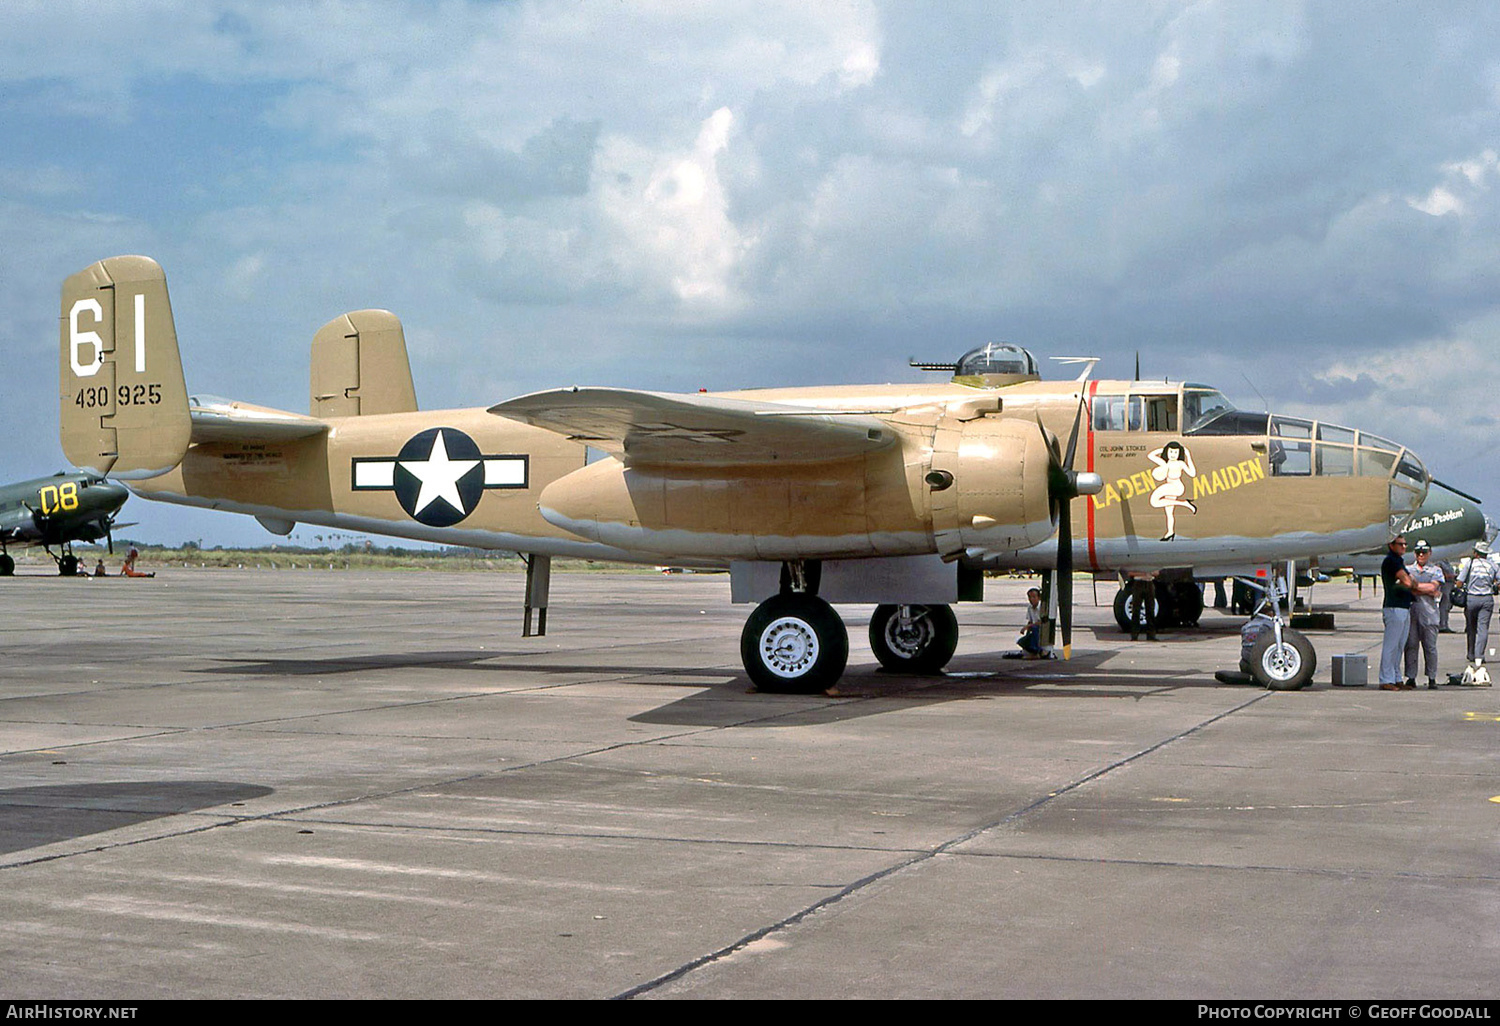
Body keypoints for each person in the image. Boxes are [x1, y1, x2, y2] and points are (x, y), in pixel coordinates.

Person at [1379, 535, 1437, 691]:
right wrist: (1410, 583)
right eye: (1401, 544)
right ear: (1392, 545)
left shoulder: (1399, 561)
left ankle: (1396, 678)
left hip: (1404, 606)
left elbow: (1410, 582)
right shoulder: (1391, 561)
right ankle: (1386, 679)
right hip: (1394, 607)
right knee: (1391, 645)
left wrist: (1411, 583)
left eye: (1405, 544)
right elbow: (1408, 582)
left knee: (1399, 645)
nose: (1404, 547)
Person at [1403, 540, 1444, 688]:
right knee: (1411, 645)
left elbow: (1435, 587)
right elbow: (1408, 587)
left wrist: (1415, 587)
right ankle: (1411, 676)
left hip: (1430, 613)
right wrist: (1427, 589)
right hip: (1412, 611)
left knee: (1430, 647)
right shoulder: (1408, 569)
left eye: (1424, 552)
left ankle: (1432, 677)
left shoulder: (1436, 570)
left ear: (1430, 553)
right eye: (1418, 552)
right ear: (1414, 553)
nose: (1421, 555)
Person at [1457, 540, 1498, 682]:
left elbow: (1459, 582)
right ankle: (1480, 655)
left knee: (1471, 627)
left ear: (1475, 553)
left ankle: (1471, 653)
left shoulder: (1470, 564)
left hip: (1471, 598)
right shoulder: (1492, 565)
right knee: (1483, 628)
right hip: (1487, 598)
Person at [1147, 441, 1197, 541]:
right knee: (1169, 513)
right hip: (1169, 486)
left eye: (1175, 453)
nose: (1173, 455)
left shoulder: (1180, 463)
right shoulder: (1164, 462)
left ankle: (1185, 503)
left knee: (1154, 501)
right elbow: (1150, 455)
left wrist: (1188, 456)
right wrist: (1163, 449)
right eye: (1171, 452)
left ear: (1179, 454)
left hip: (1176, 487)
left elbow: (1192, 474)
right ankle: (1170, 532)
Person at [1125, 572, 1157, 641]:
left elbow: (1157, 572)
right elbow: (1130, 573)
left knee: (1150, 609)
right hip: (1138, 583)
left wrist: (1150, 572)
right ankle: (1134, 634)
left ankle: (1151, 635)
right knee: (1136, 609)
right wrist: (1142, 573)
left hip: (1149, 582)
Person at [1018, 587, 1044, 658]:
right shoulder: (1030, 607)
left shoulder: (1042, 607)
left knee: (1035, 629)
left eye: (1034, 597)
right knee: (1021, 641)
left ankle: (1037, 650)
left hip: (1041, 629)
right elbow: (1030, 621)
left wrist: (1027, 627)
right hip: (1033, 628)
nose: (1031, 599)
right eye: (1029, 597)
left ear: (1038, 598)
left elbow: (1041, 622)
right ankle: (1031, 650)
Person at [1437, 556, 1457, 633]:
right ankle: (1442, 625)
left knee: (1447, 606)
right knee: (1444, 605)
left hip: (1450, 585)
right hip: (1444, 585)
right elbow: (1440, 574)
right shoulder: (1439, 562)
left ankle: (1445, 624)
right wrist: (1451, 576)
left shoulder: (1447, 562)